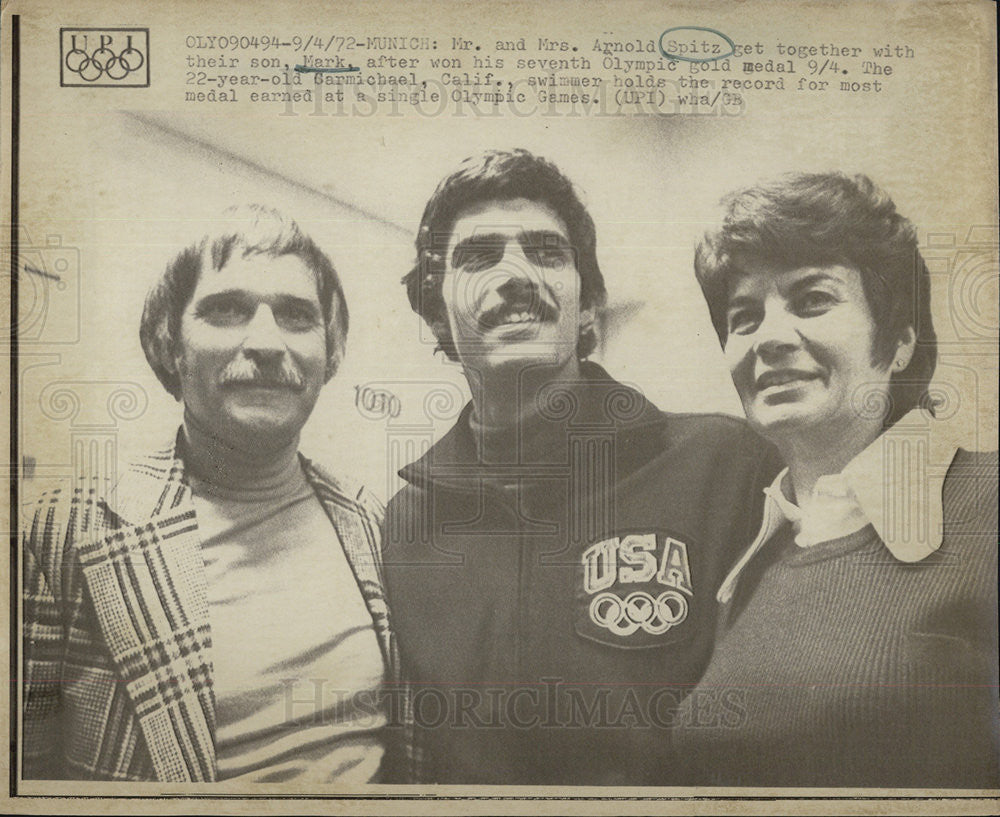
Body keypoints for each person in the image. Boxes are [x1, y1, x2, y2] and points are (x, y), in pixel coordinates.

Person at [382, 149, 781, 784]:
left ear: (588, 305)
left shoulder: (726, 466)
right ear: (437, 316)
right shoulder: (404, 525)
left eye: (546, 252)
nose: (515, 275)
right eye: (478, 256)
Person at [21, 205, 406, 782]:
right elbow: (23, 766)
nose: (267, 342)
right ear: (169, 343)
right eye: (226, 310)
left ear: (332, 354)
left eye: (298, 316)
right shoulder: (70, 528)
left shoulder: (370, 518)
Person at [674, 172, 999, 787]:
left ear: (899, 341)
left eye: (812, 300)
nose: (767, 338)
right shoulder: (749, 558)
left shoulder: (988, 506)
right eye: (744, 317)